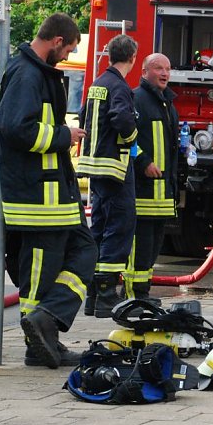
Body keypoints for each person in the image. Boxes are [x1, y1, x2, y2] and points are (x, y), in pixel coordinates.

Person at [0, 12, 96, 369]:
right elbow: (14, 126)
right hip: (37, 199)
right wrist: (63, 135)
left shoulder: (34, 72)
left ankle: (46, 325)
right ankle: (40, 342)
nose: (67, 55)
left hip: (53, 195)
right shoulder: (27, 74)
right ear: (57, 41)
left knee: (85, 250)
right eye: (68, 49)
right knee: (40, 274)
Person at [78, 34, 139, 317]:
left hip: (94, 167)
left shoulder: (97, 84)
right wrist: (132, 138)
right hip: (114, 168)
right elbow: (122, 118)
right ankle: (106, 295)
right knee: (120, 226)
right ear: (132, 58)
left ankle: (93, 294)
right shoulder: (120, 86)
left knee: (100, 227)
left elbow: (83, 116)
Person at [123, 53, 179, 305]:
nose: (165, 73)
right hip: (143, 193)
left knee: (153, 249)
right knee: (140, 248)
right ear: (144, 72)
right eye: (158, 68)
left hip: (162, 195)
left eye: (167, 68)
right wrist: (143, 162)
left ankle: (143, 293)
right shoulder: (136, 99)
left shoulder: (166, 104)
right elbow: (126, 138)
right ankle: (132, 296)